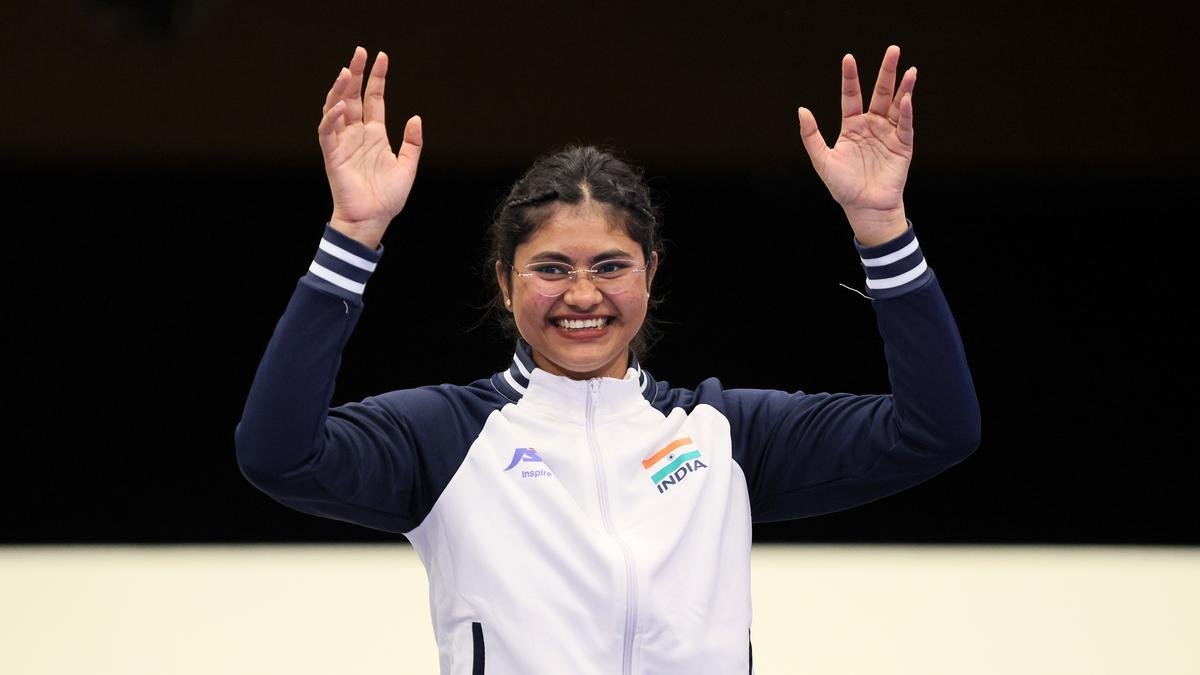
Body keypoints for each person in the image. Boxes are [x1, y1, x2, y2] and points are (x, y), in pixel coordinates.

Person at [236, 44, 980, 674]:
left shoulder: (723, 434)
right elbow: (278, 456)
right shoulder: (444, 437)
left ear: (650, 273)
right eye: (551, 268)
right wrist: (353, 234)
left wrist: (882, 226)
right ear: (505, 283)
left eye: (611, 266)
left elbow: (936, 431)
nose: (583, 295)